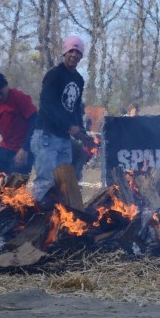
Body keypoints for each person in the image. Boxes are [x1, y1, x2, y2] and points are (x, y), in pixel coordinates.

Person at [31, 35, 94, 203]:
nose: (74, 55)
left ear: (81, 56)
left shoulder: (78, 80)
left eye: (78, 52)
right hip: (47, 135)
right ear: (65, 52)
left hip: (64, 139)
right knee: (45, 181)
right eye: (71, 51)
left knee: (64, 183)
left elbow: (76, 109)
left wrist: (82, 133)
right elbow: (46, 104)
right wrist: (68, 127)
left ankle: (59, 222)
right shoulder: (54, 75)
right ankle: (33, 221)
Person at [0, 72, 38, 181]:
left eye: (0, 93)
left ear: (6, 86)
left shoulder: (20, 98)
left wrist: (25, 149)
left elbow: (36, 122)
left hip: (25, 151)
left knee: (14, 189)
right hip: (5, 149)